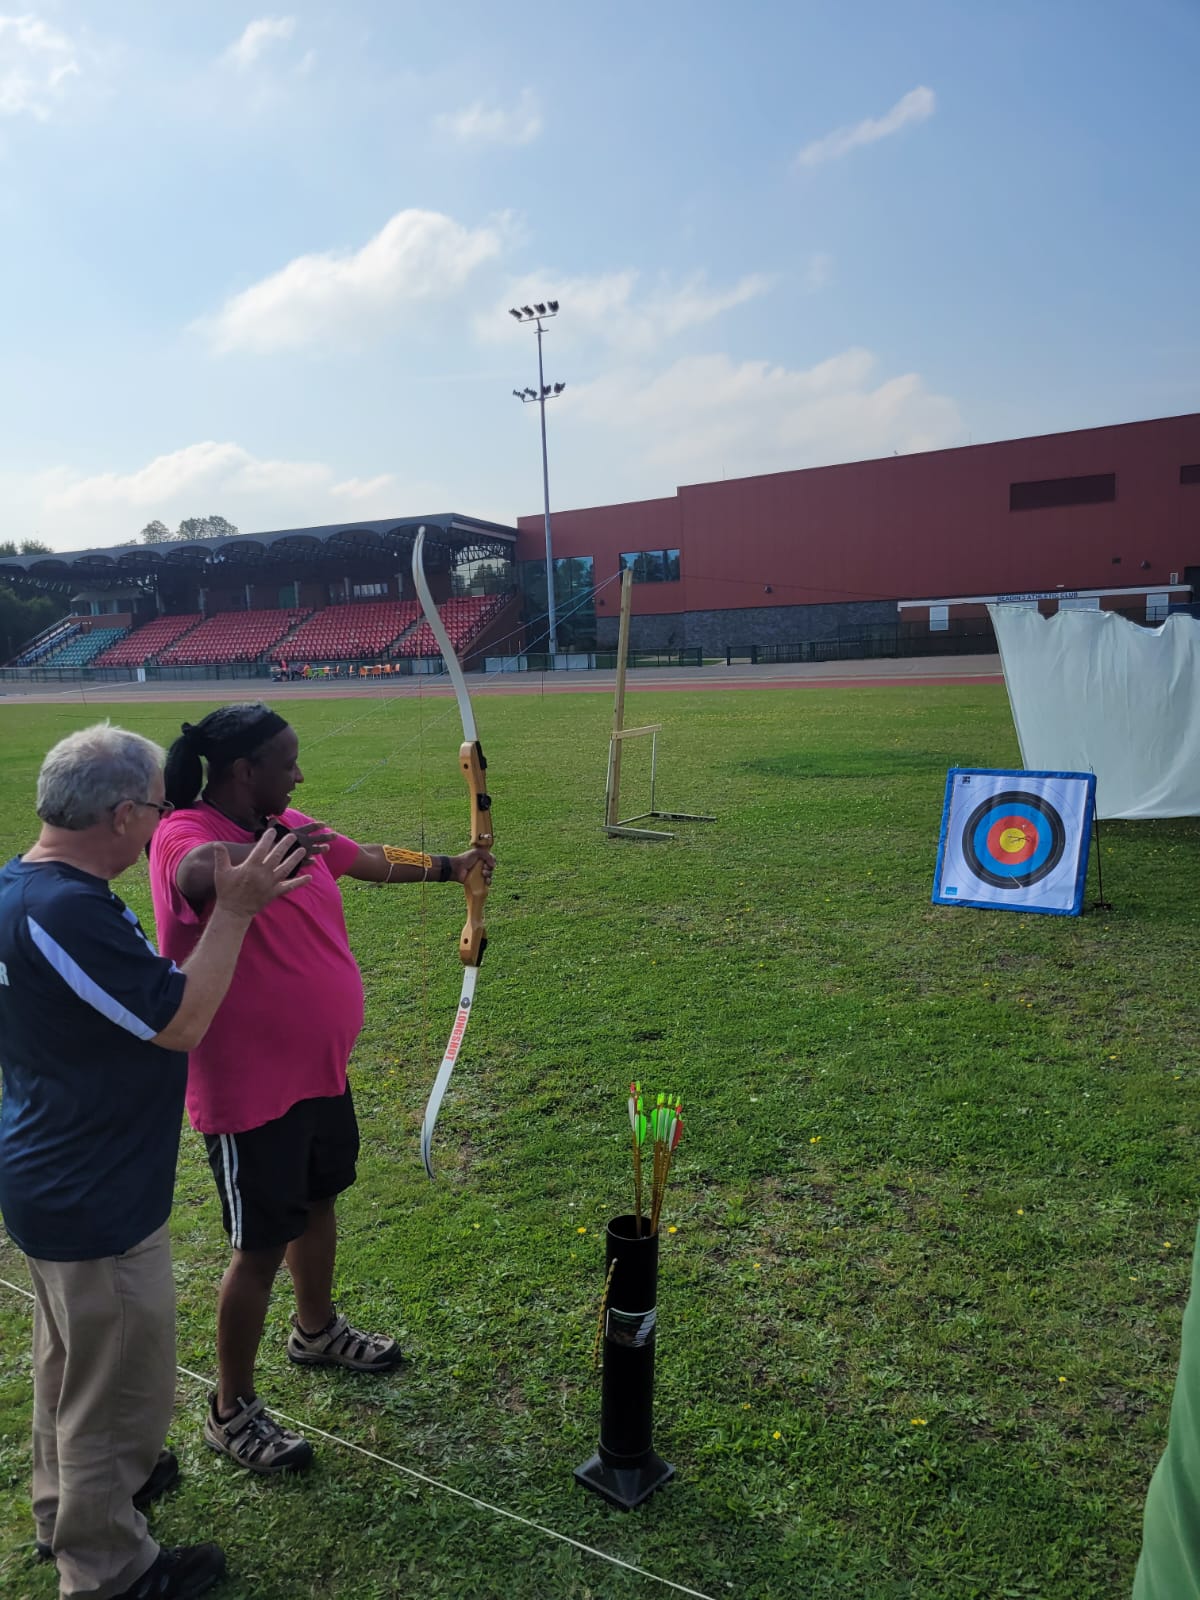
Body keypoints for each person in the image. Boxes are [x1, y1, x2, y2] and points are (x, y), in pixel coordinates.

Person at [0, 723, 310, 1600]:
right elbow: (179, 1020)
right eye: (156, 812)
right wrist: (240, 909)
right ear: (124, 813)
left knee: (71, 1369)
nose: (161, 827)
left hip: (57, 1178)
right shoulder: (61, 907)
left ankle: (69, 1511)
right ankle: (106, 1570)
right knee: (120, 1389)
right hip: (92, 1197)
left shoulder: (27, 890)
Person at [148, 703, 495, 1475]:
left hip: (316, 1074)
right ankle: (229, 1409)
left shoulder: (292, 824)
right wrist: (244, 862)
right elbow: (190, 874)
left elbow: (367, 855)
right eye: (287, 761)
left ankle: (316, 1331)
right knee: (258, 1248)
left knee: (318, 1204)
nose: (299, 774)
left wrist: (448, 867)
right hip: (248, 1091)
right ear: (244, 771)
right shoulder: (187, 834)